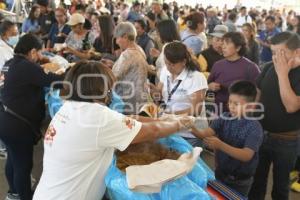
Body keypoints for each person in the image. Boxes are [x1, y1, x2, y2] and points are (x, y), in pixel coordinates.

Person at [33, 60, 195, 200]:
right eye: (109, 89)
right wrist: (179, 124)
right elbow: (153, 131)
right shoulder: (97, 116)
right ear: (102, 89)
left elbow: (129, 119)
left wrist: (163, 119)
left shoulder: (69, 107)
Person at [0, 33, 64, 200]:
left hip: (6, 120)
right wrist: (70, 72)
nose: (41, 56)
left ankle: (13, 193)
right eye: (40, 52)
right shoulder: (26, 67)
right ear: (33, 51)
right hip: (17, 125)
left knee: (13, 160)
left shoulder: (10, 64)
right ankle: (24, 196)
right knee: (23, 165)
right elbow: (54, 81)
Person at [249, 32, 300, 200]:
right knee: (257, 182)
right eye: (273, 52)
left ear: (297, 52)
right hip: (261, 135)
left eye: (281, 52)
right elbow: (258, 94)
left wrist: (283, 74)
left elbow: (291, 106)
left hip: (287, 140)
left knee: (280, 186)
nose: (276, 58)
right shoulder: (269, 67)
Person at [192, 80, 263, 196]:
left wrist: (220, 145)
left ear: (251, 106)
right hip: (221, 172)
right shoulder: (224, 117)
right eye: (230, 102)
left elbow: (246, 155)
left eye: (237, 104)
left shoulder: (254, 127)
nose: (231, 107)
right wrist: (190, 127)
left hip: (240, 179)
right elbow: (205, 133)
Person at [150, 41, 208, 147]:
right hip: (170, 128)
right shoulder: (165, 71)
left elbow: (195, 111)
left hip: (190, 133)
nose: (169, 67)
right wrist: (152, 90)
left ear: (184, 62)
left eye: (172, 64)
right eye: (167, 63)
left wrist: (170, 114)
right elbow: (159, 96)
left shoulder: (196, 78)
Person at [208, 32, 260, 114]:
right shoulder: (217, 65)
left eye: (227, 44)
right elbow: (209, 83)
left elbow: (258, 91)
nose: (223, 47)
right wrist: (210, 86)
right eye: (223, 44)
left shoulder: (251, 67)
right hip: (219, 112)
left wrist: (251, 110)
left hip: (240, 114)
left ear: (238, 48)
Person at [112, 22, 150, 115]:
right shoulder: (139, 49)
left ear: (125, 36)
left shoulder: (127, 54)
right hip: (140, 100)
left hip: (128, 101)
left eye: (117, 38)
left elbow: (113, 77)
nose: (116, 42)